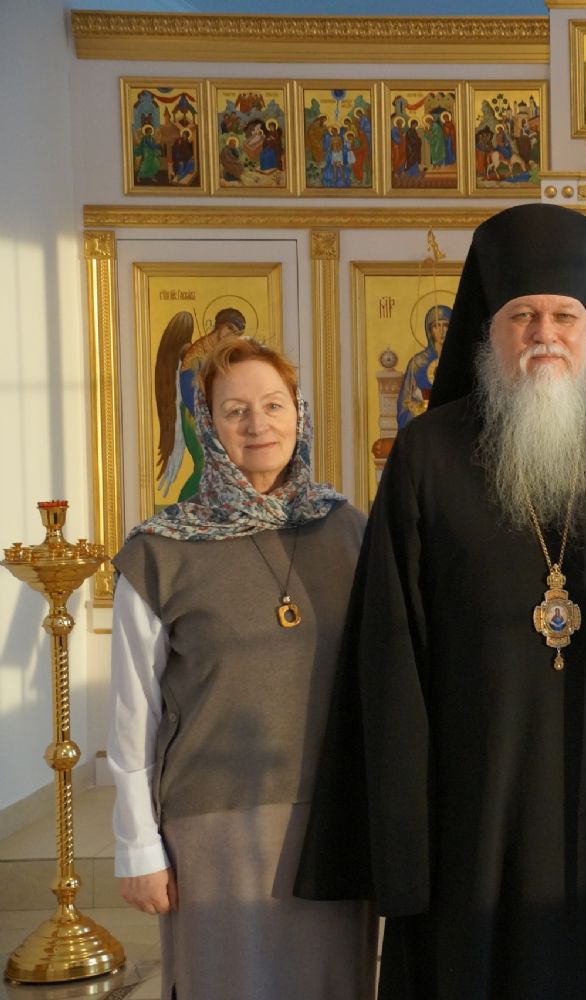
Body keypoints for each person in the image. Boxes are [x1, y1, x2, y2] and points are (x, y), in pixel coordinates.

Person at [295, 203, 586, 998]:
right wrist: (405, 815)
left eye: (564, 316)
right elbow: (393, 639)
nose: (543, 334)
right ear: (486, 332)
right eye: (522, 315)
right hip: (474, 785)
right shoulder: (427, 454)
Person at [109, 337, 376, 1000]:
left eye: (273, 405)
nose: (259, 425)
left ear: (299, 413)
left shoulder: (350, 530)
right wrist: (137, 844)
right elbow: (133, 713)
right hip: (214, 824)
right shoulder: (158, 551)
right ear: (207, 426)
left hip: (335, 817)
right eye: (235, 411)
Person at [396, 303, 450, 429]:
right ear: (429, 330)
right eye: (436, 326)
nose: (441, 331)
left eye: (446, 325)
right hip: (424, 427)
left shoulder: (460, 360)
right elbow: (404, 405)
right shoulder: (417, 363)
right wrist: (418, 410)